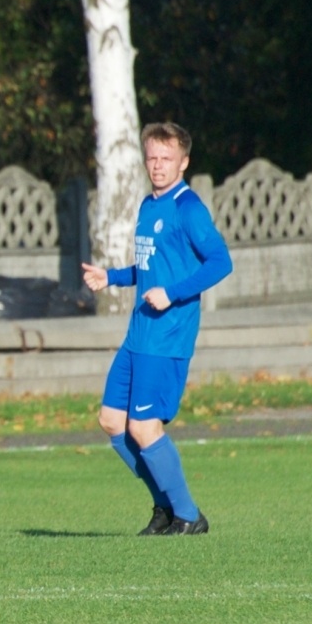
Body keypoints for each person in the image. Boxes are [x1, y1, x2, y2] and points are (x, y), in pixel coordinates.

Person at [82, 123, 232, 535]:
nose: (158, 165)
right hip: (138, 335)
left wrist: (173, 294)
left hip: (167, 337)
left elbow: (220, 262)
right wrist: (110, 277)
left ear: (184, 162)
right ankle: (164, 506)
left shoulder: (188, 208)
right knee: (112, 421)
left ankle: (188, 515)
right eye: (152, 157)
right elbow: (151, 267)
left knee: (144, 427)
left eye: (167, 158)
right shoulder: (149, 206)